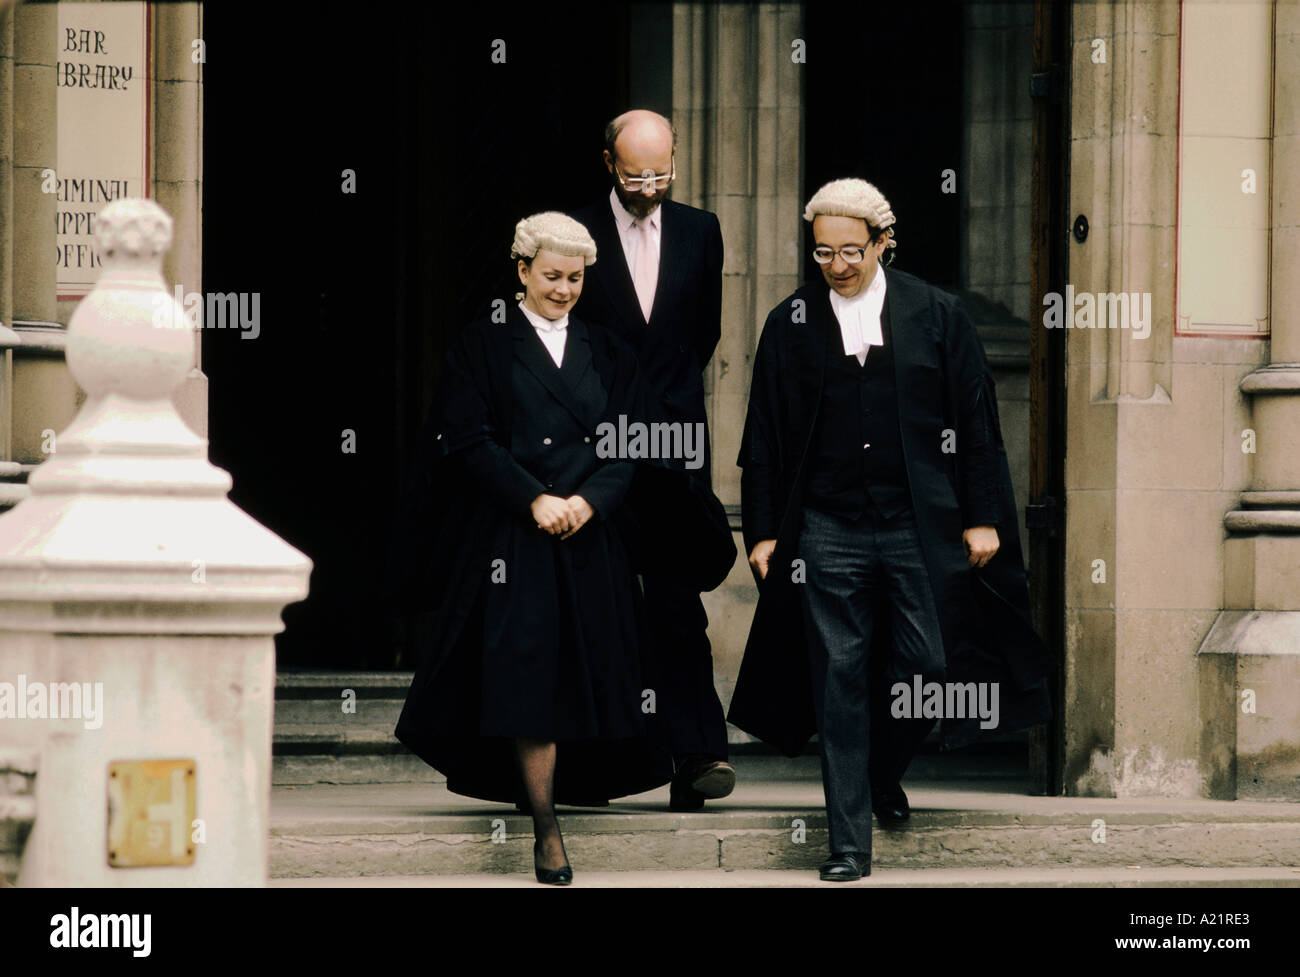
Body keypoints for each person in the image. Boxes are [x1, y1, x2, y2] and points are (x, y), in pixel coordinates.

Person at [387, 212, 732, 885]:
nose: (564, 288)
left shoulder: (608, 350)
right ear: (521, 271)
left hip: (589, 539)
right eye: (551, 275)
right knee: (529, 680)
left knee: (583, 675)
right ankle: (547, 830)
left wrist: (589, 500)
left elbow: (631, 439)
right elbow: (468, 439)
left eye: (575, 278)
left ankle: (555, 794)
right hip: (513, 540)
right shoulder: (482, 345)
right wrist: (533, 498)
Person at [729, 178, 1051, 881]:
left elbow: (976, 424)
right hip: (825, 528)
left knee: (929, 666)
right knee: (837, 679)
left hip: (918, 525)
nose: (837, 265)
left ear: (883, 241)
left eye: (851, 250)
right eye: (822, 252)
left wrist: (983, 513)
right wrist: (761, 532)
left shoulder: (937, 314)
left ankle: (879, 771)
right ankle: (848, 844)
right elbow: (764, 438)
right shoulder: (789, 322)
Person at [570, 109, 734, 812]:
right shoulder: (574, 233)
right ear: (608, 162)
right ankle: (599, 768)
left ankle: (697, 755)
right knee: (598, 605)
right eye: (636, 174)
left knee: (674, 601)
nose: (649, 187)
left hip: (672, 450)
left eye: (661, 173)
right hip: (594, 449)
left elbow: (702, 334)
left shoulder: (701, 231)